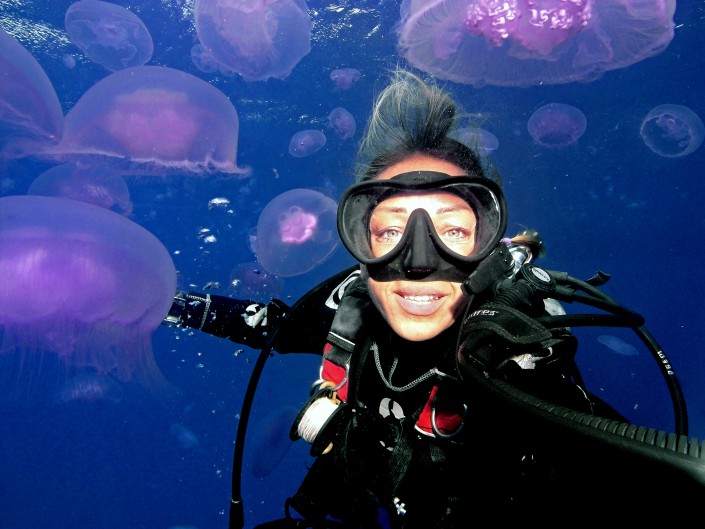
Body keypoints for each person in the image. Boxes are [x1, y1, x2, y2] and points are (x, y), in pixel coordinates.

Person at [163, 69, 702, 526]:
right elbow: (269, 325)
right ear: (361, 243)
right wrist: (164, 302)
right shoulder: (350, 309)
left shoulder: (512, 358)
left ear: (489, 245)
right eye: (390, 230)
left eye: (453, 230)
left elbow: (614, 470)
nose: (418, 261)